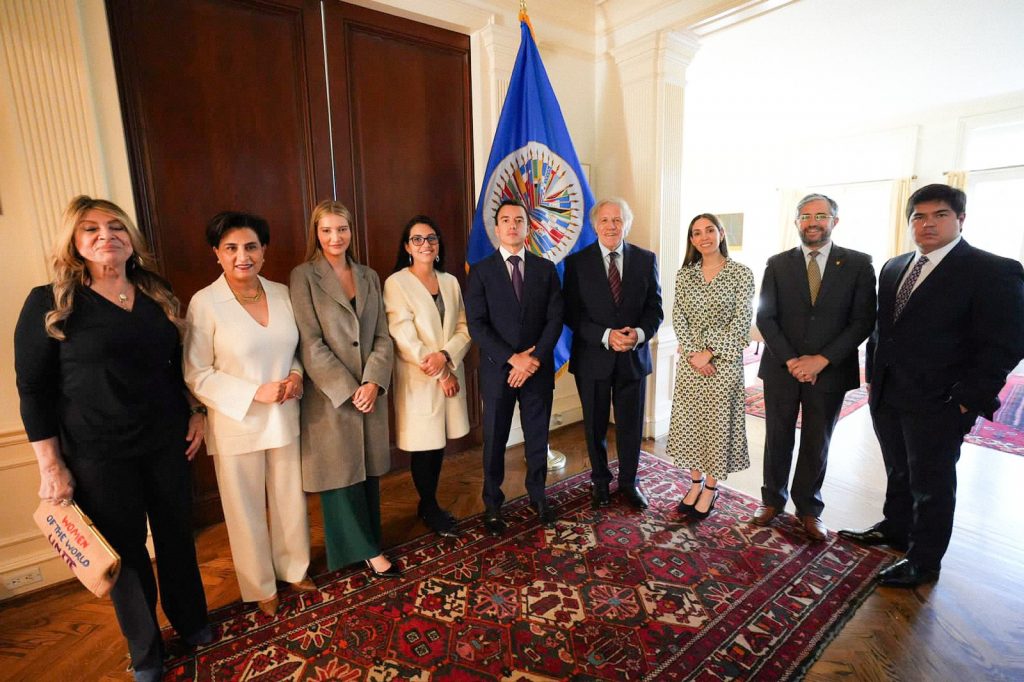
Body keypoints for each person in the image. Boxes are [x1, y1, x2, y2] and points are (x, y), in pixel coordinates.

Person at [14, 196, 210, 682]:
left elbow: (175, 367)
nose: (106, 236)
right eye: (91, 230)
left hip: (166, 441)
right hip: (98, 454)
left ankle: (192, 623)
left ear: (131, 238)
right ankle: (146, 653)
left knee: (176, 539)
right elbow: (33, 389)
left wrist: (198, 411)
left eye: (116, 226)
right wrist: (51, 465)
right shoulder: (49, 301)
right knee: (127, 554)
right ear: (74, 244)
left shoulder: (155, 292)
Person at [839, 183, 1024, 587]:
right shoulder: (894, 266)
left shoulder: (993, 269)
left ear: (960, 219)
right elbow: (882, 332)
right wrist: (873, 383)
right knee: (898, 471)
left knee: (932, 484)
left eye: (939, 215)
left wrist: (965, 401)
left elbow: (1005, 344)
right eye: (919, 217)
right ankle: (895, 529)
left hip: (941, 401)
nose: (927, 224)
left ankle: (924, 561)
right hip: (888, 393)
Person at [183, 211, 316, 617]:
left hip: (284, 414)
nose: (243, 256)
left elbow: (297, 348)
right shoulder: (205, 303)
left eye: (251, 247)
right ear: (217, 255)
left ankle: (294, 567)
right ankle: (259, 584)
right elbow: (196, 371)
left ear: (264, 251)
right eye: (232, 248)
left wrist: (295, 375)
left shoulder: (281, 292)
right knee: (244, 509)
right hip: (236, 421)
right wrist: (252, 392)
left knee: (289, 498)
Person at [754, 193, 876, 541]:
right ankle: (772, 501)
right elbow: (766, 315)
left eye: (820, 215)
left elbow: (863, 320)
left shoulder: (857, 263)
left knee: (816, 440)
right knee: (777, 437)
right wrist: (793, 360)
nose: (812, 222)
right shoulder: (778, 263)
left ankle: (808, 509)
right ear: (796, 222)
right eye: (805, 216)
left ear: (834, 221)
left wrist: (821, 360)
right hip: (782, 367)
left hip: (830, 369)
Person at [289, 200, 399, 578]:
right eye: (326, 230)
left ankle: (368, 541)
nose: (335, 237)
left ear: (351, 232)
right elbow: (309, 342)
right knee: (338, 476)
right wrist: (349, 387)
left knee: (365, 473)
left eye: (342, 229)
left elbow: (383, 336)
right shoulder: (303, 276)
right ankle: (367, 550)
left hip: (369, 392)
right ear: (315, 234)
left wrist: (373, 381)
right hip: (331, 396)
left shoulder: (369, 275)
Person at [464, 199, 564, 534]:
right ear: (496, 228)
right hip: (498, 372)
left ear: (528, 227)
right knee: (494, 440)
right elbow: (477, 325)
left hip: (536, 371)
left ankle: (539, 496)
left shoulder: (545, 269)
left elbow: (555, 319)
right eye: (505, 220)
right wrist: (513, 358)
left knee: (538, 438)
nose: (511, 226)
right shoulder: (480, 271)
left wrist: (532, 360)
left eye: (518, 220)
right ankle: (492, 503)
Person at [563, 198, 663, 510]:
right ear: (595, 225)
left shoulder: (646, 259)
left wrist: (638, 335)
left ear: (626, 225)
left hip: (632, 359)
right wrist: (606, 336)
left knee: (631, 426)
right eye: (605, 220)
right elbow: (571, 314)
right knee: (594, 426)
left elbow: (654, 310)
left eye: (617, 220)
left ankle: (629, 483)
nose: (611, 226)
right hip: (593, 358)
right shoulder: (577, 262)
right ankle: (600, 482)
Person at [383, 215, 471, 537]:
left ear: (438, 245)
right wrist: (438, 370)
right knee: (424, 446)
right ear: (407, 246)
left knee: (438, 445)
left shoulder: (449, 281)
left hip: (448, 370)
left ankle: (429, 502)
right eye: (417, 239)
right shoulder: (396, 283)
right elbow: (403, 335)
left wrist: (446, 358)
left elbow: (463, 327)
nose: (425, 244)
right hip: (419, 379)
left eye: (431, 238)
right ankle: (428, 504)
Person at [666, 213, 754, 519]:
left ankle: (711, 489)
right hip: (691, 364)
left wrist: (710, 352)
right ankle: (694, 483)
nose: (704, 237)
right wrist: (694, 353)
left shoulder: (740, 273)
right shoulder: (684, 276)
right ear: (691, 240)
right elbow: (679, 318)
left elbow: (741, 322)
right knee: (691, 424)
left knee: (716, 427)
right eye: (696, 233)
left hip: (723, 364)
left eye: (709, 230)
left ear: (721, 233)